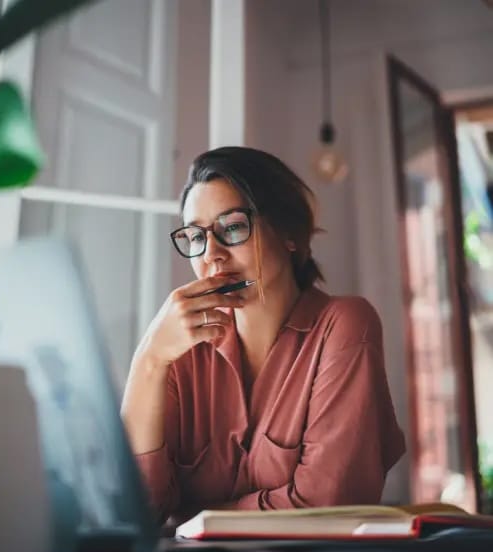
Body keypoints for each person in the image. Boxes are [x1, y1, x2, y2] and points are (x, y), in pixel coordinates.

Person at [121, 146, 405, 523]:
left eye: (233, 227)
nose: (212, 256)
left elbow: (326, 505)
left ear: (289, 232)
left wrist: (194, 517)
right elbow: (134, 512)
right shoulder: (178, 350)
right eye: (195, 236)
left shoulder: (345, 325)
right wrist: (149, 359)